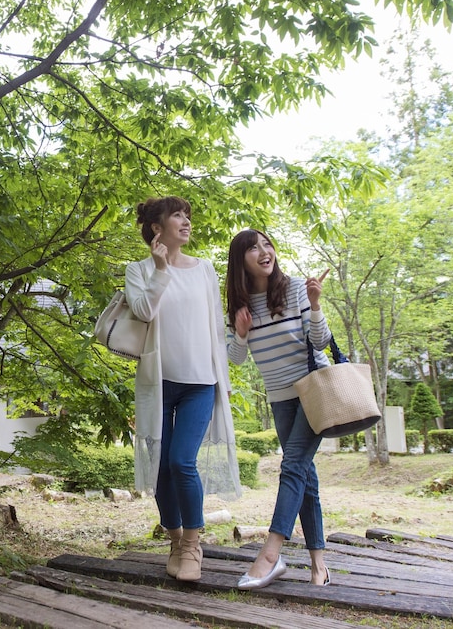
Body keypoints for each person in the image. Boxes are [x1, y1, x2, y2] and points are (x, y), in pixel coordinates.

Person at [124, 196, 242, 582]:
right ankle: (175, 540)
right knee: (161, 470)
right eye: (178, 216)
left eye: (187, 216)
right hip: (158, 384)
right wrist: (160, 270)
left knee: (181, 462)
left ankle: (192, 544)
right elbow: (143, 312)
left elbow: (213, 326)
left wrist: (226, 367)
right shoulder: (138, 270)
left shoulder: (204, 269)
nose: (186, 222)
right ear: (157, 227)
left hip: (200, 383)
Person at [224, 228, 332, 588]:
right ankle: (319, 565)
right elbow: (236, 359)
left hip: (313, 390)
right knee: (306, 477)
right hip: (279, 397)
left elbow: (319, 341)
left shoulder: (297, 287)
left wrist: (315, 305)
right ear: (241, 260)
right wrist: (240, 332)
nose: (263, 251)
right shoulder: (239, 306)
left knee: (293, 464)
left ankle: (270, 555)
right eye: (253, 248)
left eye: (267, 244)